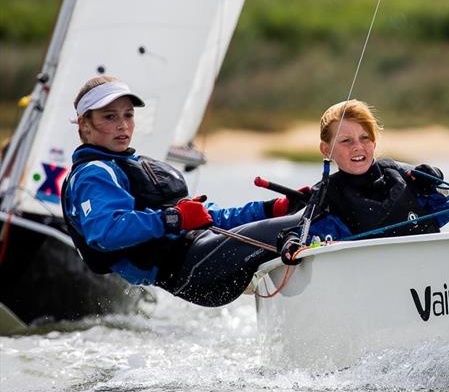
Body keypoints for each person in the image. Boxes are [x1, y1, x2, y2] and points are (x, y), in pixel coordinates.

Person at [61, 76, 301, 307]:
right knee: (296, 226)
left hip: (203, 254)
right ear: (84, 124)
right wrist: (175, 218)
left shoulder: (131, 165)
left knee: (295, 219)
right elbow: (106, 232)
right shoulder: (93, 174)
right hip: (190, 271)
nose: (122, 125)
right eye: (109, 117)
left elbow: (209, 216)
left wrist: (271, 209)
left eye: (128, 115)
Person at [283, 100, 449, 260]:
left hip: (426, 267)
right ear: (326, 149)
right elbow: (304, 234)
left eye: (364, 138)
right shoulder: (328, 194)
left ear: (374, 143)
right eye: (346, 141)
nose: (357, 147)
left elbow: (446, 207)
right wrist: (291, 241)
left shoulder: (397, 174)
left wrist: (434, 182)